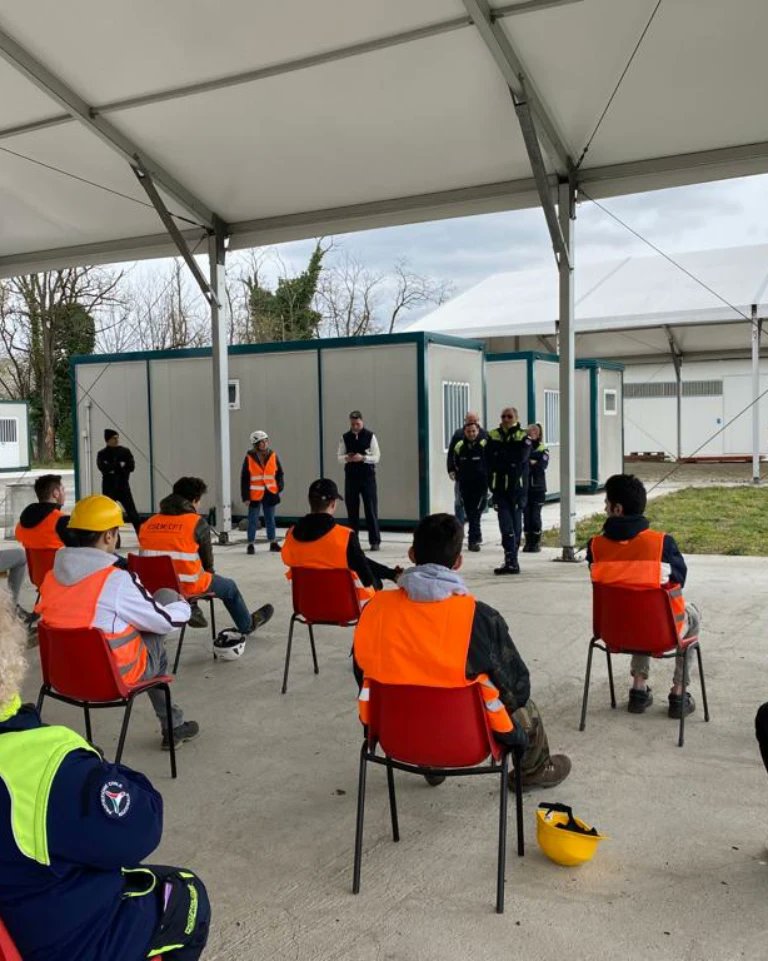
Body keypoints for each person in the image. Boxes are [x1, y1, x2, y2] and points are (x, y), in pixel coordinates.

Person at [0, 594, 211, 961]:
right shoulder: (48, 767)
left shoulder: (51, 586)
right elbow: (141, 827)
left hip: (18, 922)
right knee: (189, 894)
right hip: (69, 943)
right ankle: (170, 720)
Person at [353, 513, 571, 790]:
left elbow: (361, 674)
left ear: (411, 554)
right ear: (458, 562)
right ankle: (534, 770)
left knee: (407, 686)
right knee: (524, 706)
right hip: (467, 741)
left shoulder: (374, 611)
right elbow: (517, 688)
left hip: (398, 735)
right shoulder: (479, 619)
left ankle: (430, 761)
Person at [35, 494, 198, 750]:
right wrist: (184, 607)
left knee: (130, 618)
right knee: (164, 603)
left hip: (64, 677)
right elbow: (164, 622)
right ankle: (173, 726)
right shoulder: (116, 580)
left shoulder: (50, 578)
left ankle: (174, 724)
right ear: (109, 536)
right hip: (112, 679)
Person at [586, 473, 702, 719]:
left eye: (606, 503)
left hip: (613, 632)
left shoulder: (595, 547)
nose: (604, 508)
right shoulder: (662, 544)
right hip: (660, 632)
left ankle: (638, 689)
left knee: (632, 607)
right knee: (688, 614)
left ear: (617, 509)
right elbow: (679, 581)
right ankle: (679, 693)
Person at [139, 476, 274, 640]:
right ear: (194, 500)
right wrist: (210, 573)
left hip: (151, 587)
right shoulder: (196, 522)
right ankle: (247, 625)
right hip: (187, 586)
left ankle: (190, 606)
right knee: (229, 587)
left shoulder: (149, 523)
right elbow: (207, 562)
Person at [281, 478, 401, 600]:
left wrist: (389, 573)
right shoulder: (344, 536)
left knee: (356, 557)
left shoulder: (291, 535)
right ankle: (392, 575)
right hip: (342, 605)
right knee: (374, 580)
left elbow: (288, 559)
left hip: (307, 603)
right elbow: (367, 578)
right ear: (333, 504)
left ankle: (392, 574)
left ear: (310, 501)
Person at [486, 407, 533, 575]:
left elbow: (520, 457)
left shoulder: (523, 436)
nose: (506, 419)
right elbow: (489, 457)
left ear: (516, 417)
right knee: (505, 524)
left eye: (509, 416)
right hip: (499, 488)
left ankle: (514, 560)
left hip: (517, 489)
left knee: (515, 523)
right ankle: (509, 559)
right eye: (503, 416)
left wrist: (502, 456)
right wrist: (503, 458)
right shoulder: (493, 435)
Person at [337, 410, 381, 551]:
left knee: (370, 509)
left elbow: (377, 457)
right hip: (351, 478)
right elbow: (339, 456)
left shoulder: (370, 436)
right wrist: (347, 458)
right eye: (353, 424)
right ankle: (353, 542)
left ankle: (374, 541)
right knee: (352, 510)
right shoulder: (345, 437)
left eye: (357, 424)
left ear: (362, 422)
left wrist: (363, 458)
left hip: (367, 477)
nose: (355, 426)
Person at [241, 429, 284, 555]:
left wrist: (279, 487)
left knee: (270, 518)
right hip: (255, 494)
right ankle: (250, 544)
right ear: (255, 444)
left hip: (270, 492)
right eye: (261, 442)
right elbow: (244, 478)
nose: (264, 444)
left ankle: (273, 542)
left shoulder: (273, 455)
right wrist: (245, 497)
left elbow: (279, 473)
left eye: (266, 441)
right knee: (253, 519)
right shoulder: (249, 458)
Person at [448, 421, 488, 551]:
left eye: (474, 431)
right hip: (465, 484)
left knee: (476, 512)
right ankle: (474, 539)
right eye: (468, 431)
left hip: (480, 485)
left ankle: (474, 538)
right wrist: (454, 471)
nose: (471, 434)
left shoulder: (484, 444)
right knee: (471, 513)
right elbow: (453, 460)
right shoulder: (459, 446)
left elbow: (490, 462)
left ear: (478, 431)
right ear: (464, 432)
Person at [97, 429, 141, 532]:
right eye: (114, 438)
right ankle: (114, 539)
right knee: (109, 515)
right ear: (108, 440)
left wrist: (114, 468)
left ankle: (142, 536)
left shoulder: (125, 452)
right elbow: (103, 468)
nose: (116, 440)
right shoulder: (102, 454)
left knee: (133, 513)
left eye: (117, 438)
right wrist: (119, 465)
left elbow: (131, 467)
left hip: (123, 487)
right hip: (109, 488)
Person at [15, 473, 72, 549]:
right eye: (63, 490)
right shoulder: (62, 520)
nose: (64, 493)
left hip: (33, 560)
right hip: (57, 560)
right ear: (56, 493)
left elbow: (18, 537)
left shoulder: (23, 520)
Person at [522, 423, 549, 553]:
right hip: (525, 488)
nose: (532, 432)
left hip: (538, 488)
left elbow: (541, 466)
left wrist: (532, 462)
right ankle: (528, 542)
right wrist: (530, 461)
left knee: (535, 516)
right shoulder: (524, 446)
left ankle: (536, 542)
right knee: (526, 516)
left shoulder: (543, 448)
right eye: (530, 430)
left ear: (539, 434)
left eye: (535, 431)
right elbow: (522, 462)